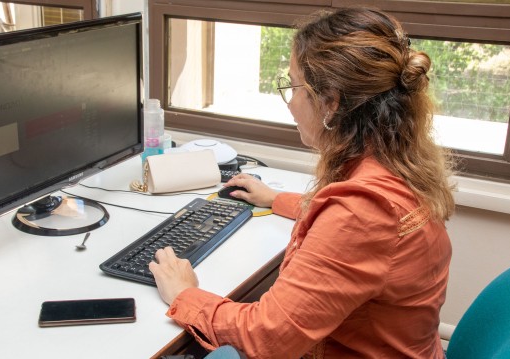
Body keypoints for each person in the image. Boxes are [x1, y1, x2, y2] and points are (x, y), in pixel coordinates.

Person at [149, 7, 455, 359]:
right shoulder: (395, 163)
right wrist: (275, 198)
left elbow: (266, 338)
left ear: (331, 103)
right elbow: (348, 227)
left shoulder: (363, 212)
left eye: (293, 85)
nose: (290, 103)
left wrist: (184, 294)